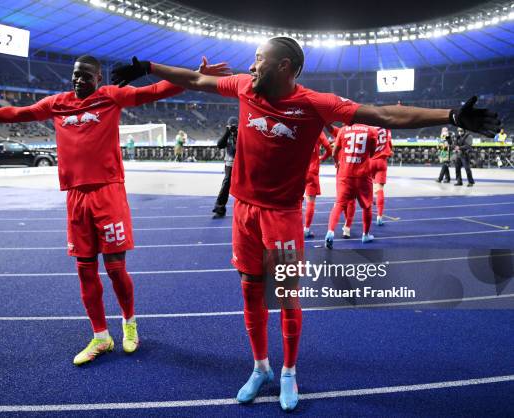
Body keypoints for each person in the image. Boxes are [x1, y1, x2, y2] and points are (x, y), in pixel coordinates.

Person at [111, 38, 500, 411]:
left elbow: (384, 114)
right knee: (249, 291)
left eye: (258, 59)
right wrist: (148, 67)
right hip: (244, 212)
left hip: (282, 217)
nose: (250, 65)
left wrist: (450, 116)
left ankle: (288, 372)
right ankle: (260, 366)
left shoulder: (315, 104)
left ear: (284, 67)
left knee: (284, 297)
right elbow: (195, 79)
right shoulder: (245, 86)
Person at [0, 54, 230, 366]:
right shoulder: (57, 103)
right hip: (76, 197)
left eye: (86, 76)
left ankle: (129, 323)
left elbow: (156, 91)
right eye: (76, 75)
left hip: (108, 193)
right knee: (85, 270)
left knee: (116, 268)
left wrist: (194, 75)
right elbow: (17, 113)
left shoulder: (110, 97)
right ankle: (100, 335)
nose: (79, 80)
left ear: (98, 79)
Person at [325, 124, 378, 248]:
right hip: (362, 174)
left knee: (339, 204)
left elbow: (334, 152)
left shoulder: (343, 130)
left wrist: (337, 163)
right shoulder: (372, 131)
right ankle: (365, 235)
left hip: (345, 173)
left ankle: (330, 232)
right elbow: (372, 153)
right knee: (367, 206)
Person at [303, 130, 331, 238]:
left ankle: (291, 227)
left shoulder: (299, 128)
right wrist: (322, 158)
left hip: (299, 170)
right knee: (310, 202)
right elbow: (329, 149)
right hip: (312, 171)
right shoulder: (318, 130)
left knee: (295, 202)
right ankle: (306, 229)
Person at [212, 116, 238, 218]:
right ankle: (219, 208)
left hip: (241, 163)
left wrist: (237, 133)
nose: (232, 128)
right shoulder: (227, 135)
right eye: (230, 126)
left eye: (234, 126)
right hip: (230, 163)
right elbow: (219, 145)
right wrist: (227, 132)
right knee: (226, 183)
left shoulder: (242, 134)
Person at [370, 127, 393, 226]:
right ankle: (379, 216)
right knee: (380, 189)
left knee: (368, 186)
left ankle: (369, 205)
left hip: (370, 160)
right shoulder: (386, 128)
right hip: (382, 161)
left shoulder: (369, 128)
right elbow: (389, 143)